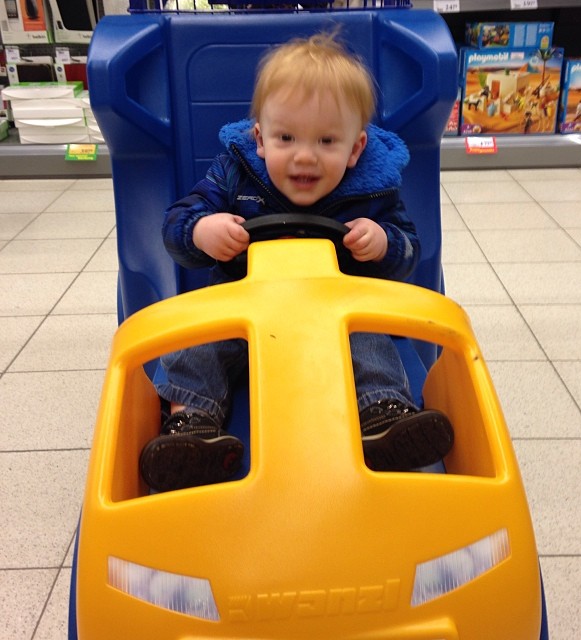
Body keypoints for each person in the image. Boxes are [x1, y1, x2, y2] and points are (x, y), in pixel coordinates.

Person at [139, 32, 454, 493]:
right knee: (195, 343)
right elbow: (176, 226)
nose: (304, 156)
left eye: (327, 141)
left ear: (355, 149)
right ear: (260, 139)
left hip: (335, 323)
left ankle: (383, 415)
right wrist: (202, 232)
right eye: (287, 137)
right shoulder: (234, 175)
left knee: (369, 336)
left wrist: (384, 244)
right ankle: (193, 426)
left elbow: (409, 252)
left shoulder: (372, 192)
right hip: (242, 318)